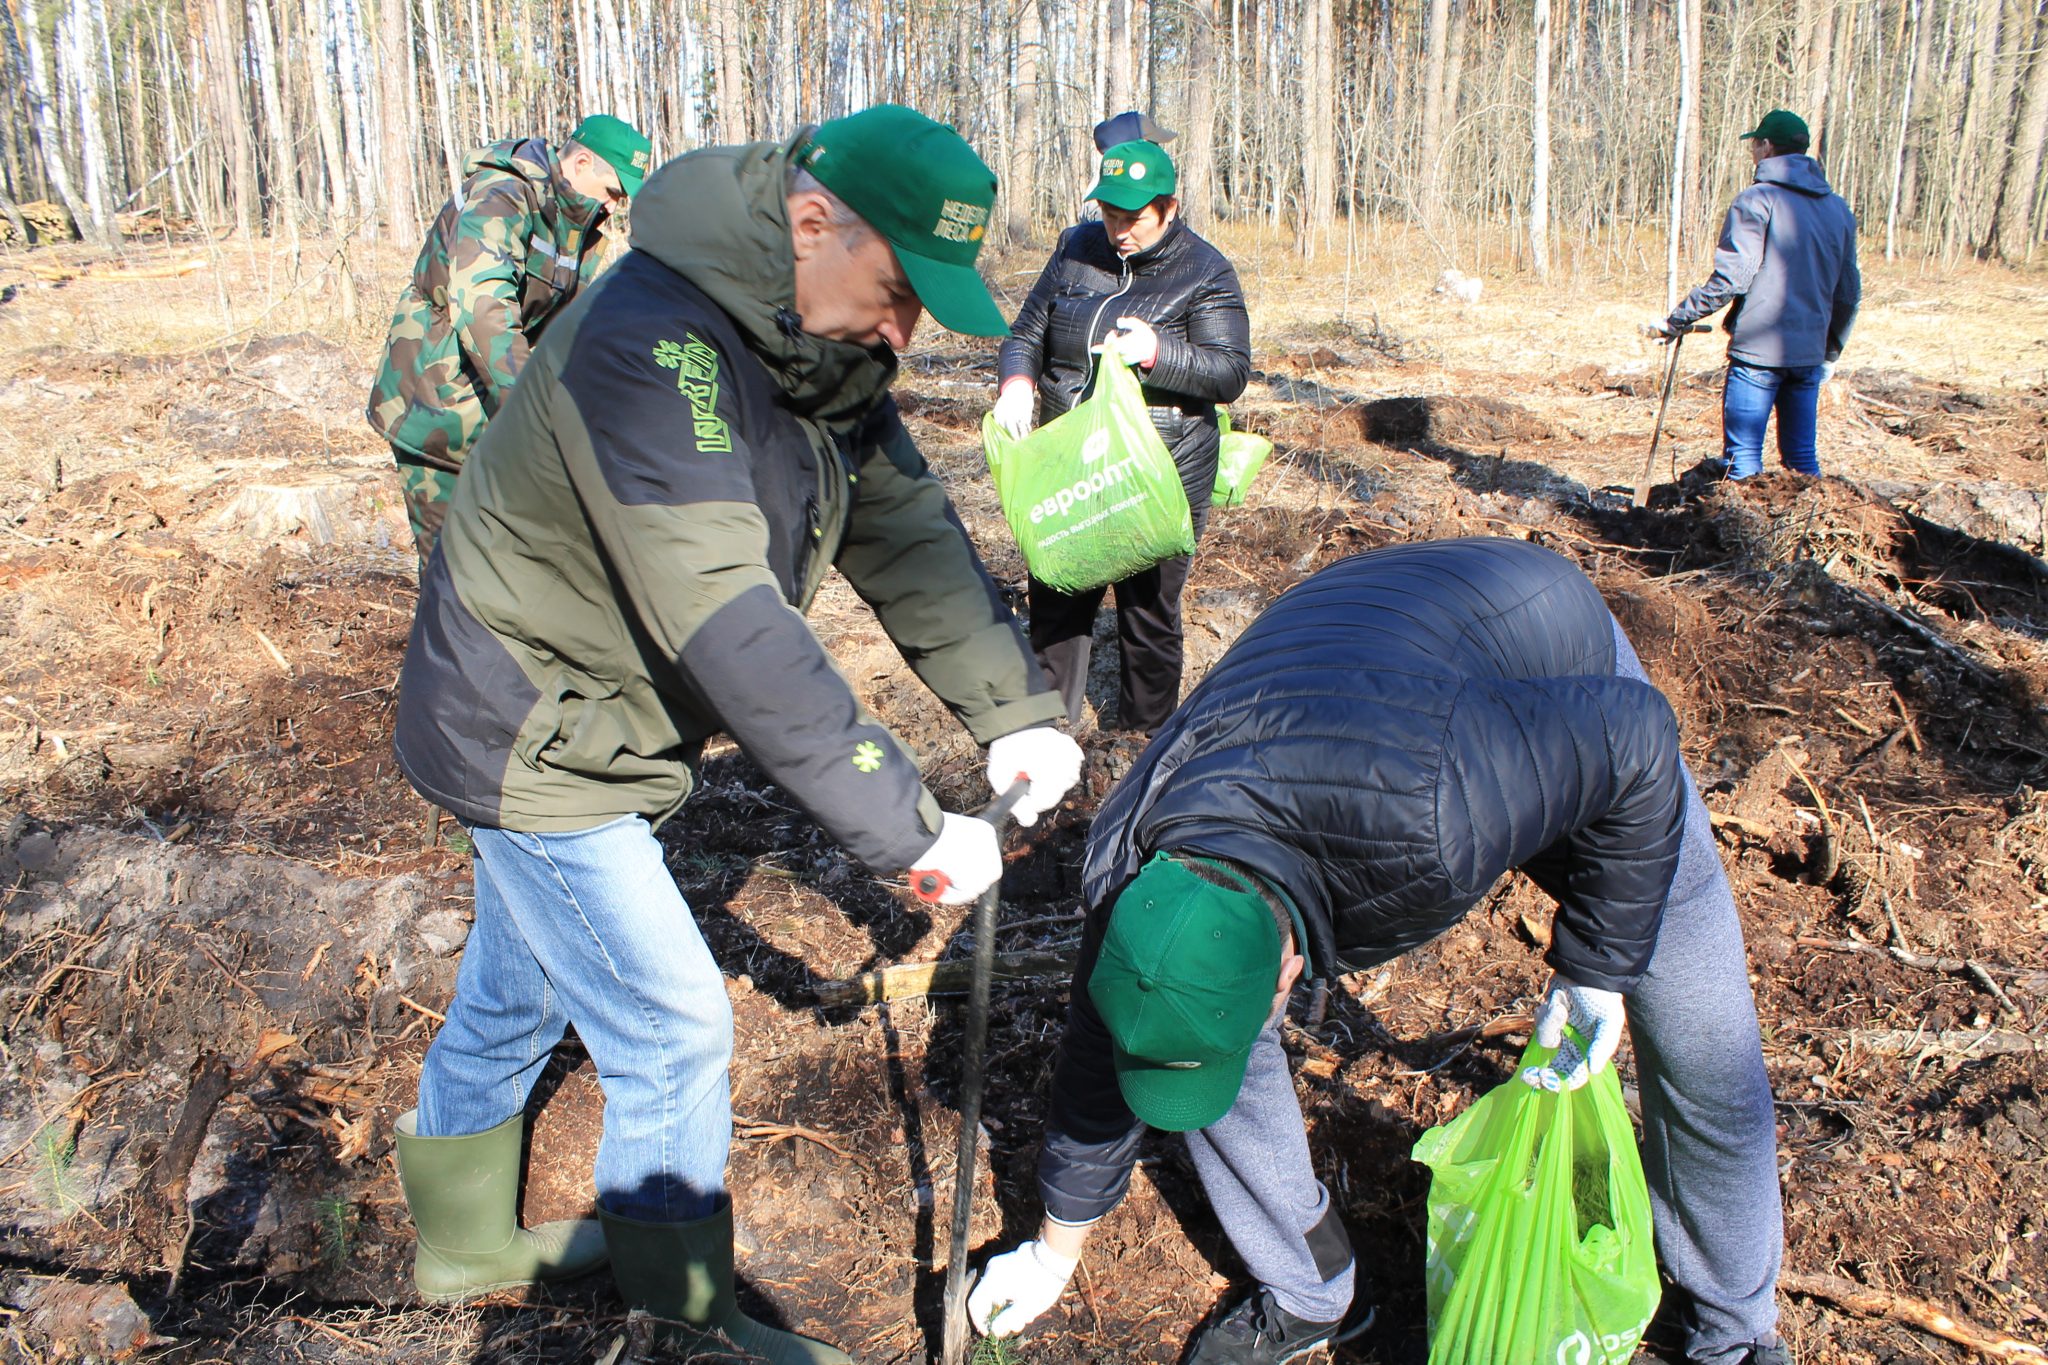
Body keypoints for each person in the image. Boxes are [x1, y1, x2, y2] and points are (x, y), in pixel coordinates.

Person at [389, 104, 1085, 1365]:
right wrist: (909, 831)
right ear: (809, 223)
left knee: (515, 984)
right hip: (528, 726)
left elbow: (907, 536)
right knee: (671, 1028)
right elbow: (734, 626)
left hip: (605, 717)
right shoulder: (651, 344)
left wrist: (1014, 713)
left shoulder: (820, 348)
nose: (903, 330)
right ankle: (684, 1328)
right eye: (895, 290)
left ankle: (462, 1247)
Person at [966, 537, 1790, 1365]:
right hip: (1353, 655)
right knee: (1199, 1022)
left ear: (1294, 970)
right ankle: (1312, 1290)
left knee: (1692, 1002)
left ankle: (1735, 1325)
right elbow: (1106, 1045)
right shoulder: (1131, 872)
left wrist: (1597, 971)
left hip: (1534, 642)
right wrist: (1053, 1246)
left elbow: (1635, 741)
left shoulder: (1434, 817)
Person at [993, 139, 1250, 735]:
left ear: (1170, 208)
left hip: (1159, 474)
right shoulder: (1077, 249)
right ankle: (1045, 734)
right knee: (1058, 600)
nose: (1117, 231)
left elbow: (1230, 371)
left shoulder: (1204, 271)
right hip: (1073, 466)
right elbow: (1028, 330)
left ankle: (1140, 744)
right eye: (1109, 214)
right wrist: (1015, 382)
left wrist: (1161, 353)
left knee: (1148, 615)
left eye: (1132, 219)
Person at [367, 114, 651, 571]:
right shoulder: (502, 195)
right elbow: (484, 309)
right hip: (434, 405)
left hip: (487, 408)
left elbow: (571, 323)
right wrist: (534, 413)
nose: (615, 206)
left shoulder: (576, 221)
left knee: (507, 567)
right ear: (580, 163)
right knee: (451, 573)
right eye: (614, 191)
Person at [1658, 109, 1860, 481]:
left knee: (1743, 461)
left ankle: (1746, 538)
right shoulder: (1838, 209)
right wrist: (1830, 351)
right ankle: (1799, 535)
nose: (1753, 152)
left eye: (1755, 144)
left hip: (1758, 356)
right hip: (1809, 355)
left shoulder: (1756, 201)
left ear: (1767, 147)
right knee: (1803, 462)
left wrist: (1678, 318)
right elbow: (1848, 294)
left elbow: (1734, 277)